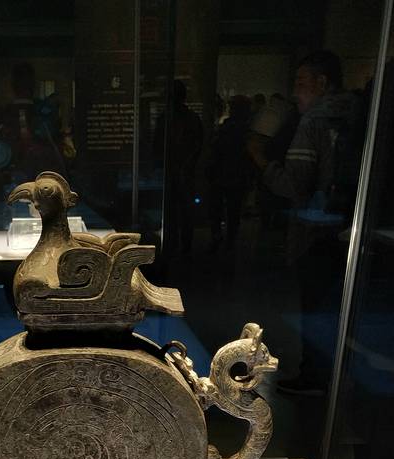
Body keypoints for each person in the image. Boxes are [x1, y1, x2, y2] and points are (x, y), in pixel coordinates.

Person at [247, 50, 364, 396]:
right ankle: (336, 374)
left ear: (321, 83)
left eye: (301, 82)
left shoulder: (313, 121)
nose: (295, 91)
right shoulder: (359, 116)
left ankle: (315, 375)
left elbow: (295, 184)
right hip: (349, 228)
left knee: (315, 307)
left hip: (316, 230)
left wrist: (260, 159)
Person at [154, 79, 203, 257]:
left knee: (180, 210)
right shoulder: (177, 118)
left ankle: (179, 245)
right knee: (175, 211)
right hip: (176, 171)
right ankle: (176, 244)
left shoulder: (171, 118)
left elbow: (197, 145)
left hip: (181, 171)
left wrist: (185, 165)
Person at [205, 95, 253, 253]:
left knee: (219, 209)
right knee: (233, 211)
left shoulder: (225, 128)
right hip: (235, 176)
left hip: (222, 175)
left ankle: (218, 236)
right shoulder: (245, 130)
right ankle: (228, 239)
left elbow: (215, 150)